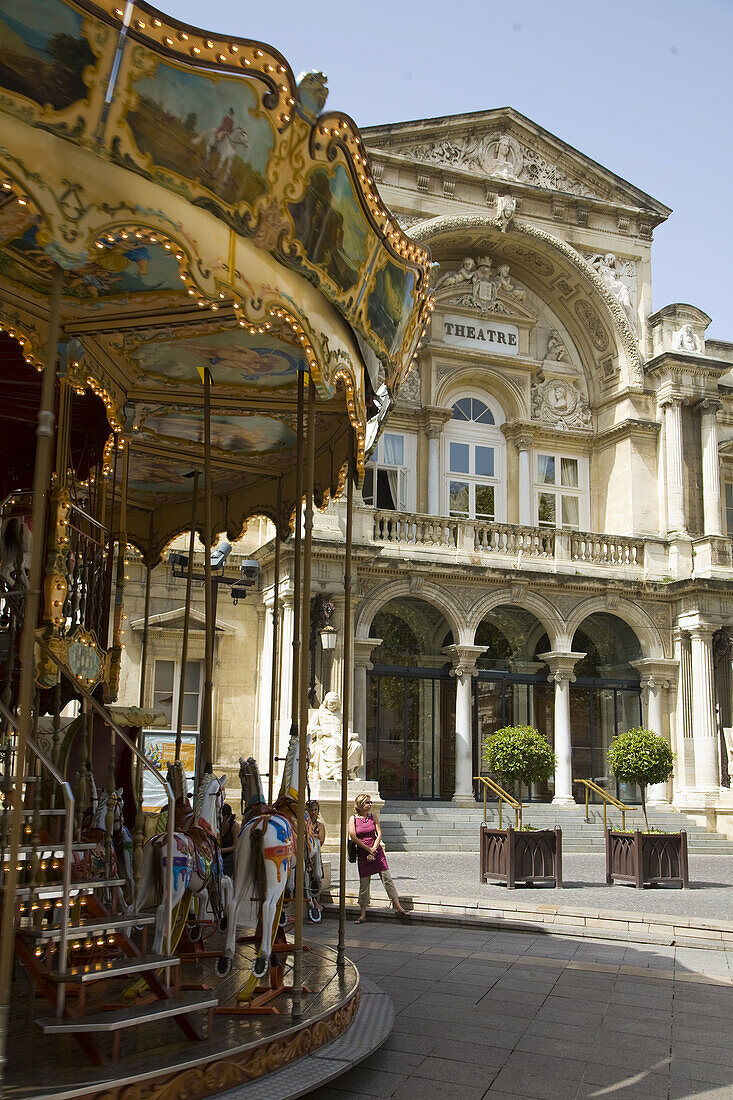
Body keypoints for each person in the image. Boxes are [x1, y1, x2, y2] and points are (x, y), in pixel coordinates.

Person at [349, 793, 409, 923]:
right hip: (363, 852)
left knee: (386, 878)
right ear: (360, 805)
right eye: (367, 803)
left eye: (370, 802)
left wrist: (373, 850)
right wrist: (367, 849)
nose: (370, 805)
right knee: (364, 883)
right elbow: (353, 836)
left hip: (376, 851)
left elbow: (379, 833)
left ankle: (398, 907)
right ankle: (363, 914)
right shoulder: (353, 819)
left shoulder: (373, 816)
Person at [220, 803, 236, 878]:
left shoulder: (234, 826)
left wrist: (221, 850)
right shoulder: (217, 825)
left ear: (225, 817)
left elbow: (235, 846)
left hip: (229, 856)